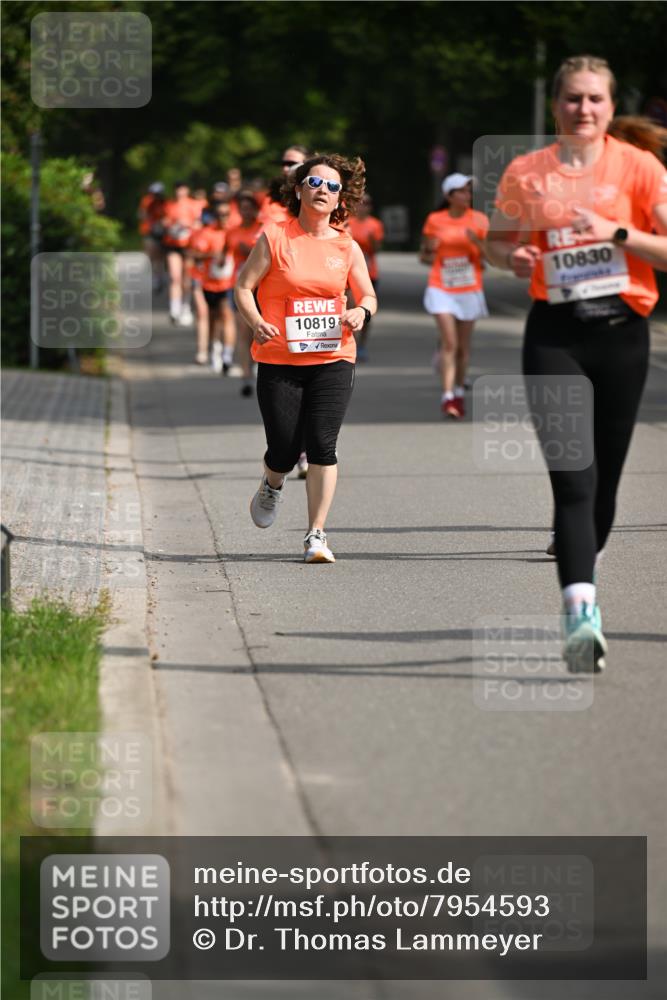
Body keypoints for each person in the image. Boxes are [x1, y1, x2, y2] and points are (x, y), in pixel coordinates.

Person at [486, 55, 667, 672]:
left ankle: (585, 567)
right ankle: (580, 610)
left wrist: (616, 233)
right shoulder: (526, 172)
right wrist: (509, 260)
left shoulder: (639, 168)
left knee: (605, 484)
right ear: (555, 105)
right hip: (554, 335)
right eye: (571, 99)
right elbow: (496, 242)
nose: (582, 109)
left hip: (622, 334)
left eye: (594, 99)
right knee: (574, 477)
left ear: (612, 108)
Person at [235, 153, 377, 563]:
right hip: (280, 358)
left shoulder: (347, 246)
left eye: (332, 187)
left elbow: (367, 294)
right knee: (282, 447)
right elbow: (243, 288)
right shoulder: (276, 237)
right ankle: (272, 482)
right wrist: (256, 321)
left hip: (334, 356)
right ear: (298, 190)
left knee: (322, 445)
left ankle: (316, 534)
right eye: (315, 183)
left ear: (339, 200)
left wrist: (361, 311)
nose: (323, 191)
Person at [259, 144, 311, 476]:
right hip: (272, 299)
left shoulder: (325, 205)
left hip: (312, 307)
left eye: (293, 162)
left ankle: (306, 450)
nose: (286, 165)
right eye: (284, 161)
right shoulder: (270, 208)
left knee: (313, 379)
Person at [420, 174, 489, 418]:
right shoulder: (435, 220)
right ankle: (448, 396)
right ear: (449, 195)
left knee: (463, 348)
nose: (467, 195)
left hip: (469, 288)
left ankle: (459, 391)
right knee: (450, 343)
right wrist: (432, 250)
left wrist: (476, 243)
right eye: (461, 191)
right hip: (441, 287)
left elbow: (488, 258)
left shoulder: (479, 220)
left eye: (469, 191)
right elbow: (424, 256)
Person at [226, 191, 264, 396]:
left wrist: (248, 251)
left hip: (261, 288)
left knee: (259, 329)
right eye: (243, 207)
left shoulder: (262, 231)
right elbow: (223, 254)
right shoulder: (232, 231)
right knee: (242, 330)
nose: (246, 211)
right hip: (239, 286)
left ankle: (258, 363)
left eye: (250, 207)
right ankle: (245, 373)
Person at [348, 193, 384, 361]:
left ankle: (362, 344)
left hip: (370, 273)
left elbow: (377, 249)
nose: (363, 206)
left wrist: (371, 242)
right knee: (350, 307)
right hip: (349, 274)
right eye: (360, 202)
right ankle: (351, 342)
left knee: (366, 309)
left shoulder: (375, 224)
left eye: (367, 203)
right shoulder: (348, 222)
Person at [162, 181, 202, 326]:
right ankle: (174, 308)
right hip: (173, 244)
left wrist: (188, 224)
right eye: (177, 189)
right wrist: (171, 224)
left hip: (189, 245)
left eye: (182, 189)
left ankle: (185, 306)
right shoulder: (169, 205)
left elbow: (200, 224)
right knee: (174, 277)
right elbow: (164, 221)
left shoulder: (194, 205)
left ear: (187, 190)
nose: (180, 192)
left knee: (187, 278)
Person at [138, 182, 166, 292]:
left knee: (161, 256)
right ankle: (154, 277)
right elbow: (142, 214)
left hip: (162, 232)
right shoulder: (147, 201)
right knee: (151, 254)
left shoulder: (165, 203)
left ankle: (160, 275)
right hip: (149, 231)